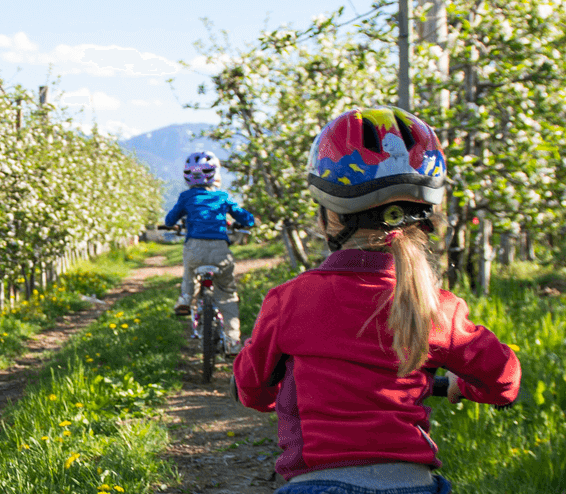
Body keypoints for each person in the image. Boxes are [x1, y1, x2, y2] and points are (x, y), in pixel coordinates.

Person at [232, 107, 521, 494]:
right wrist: (462, 385)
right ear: (422, 219)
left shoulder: (290, 301)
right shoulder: (437, 307)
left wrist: (273, 393)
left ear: (328, 218)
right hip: (415, 486)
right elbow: (504, 379)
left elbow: (252, 389)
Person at [163, 150, 256, 343]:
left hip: (195, 247)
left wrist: (175, 222)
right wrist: (247, 221)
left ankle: (187, 298)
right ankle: (232, 339)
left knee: (189, 271)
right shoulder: (222, 197)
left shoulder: (186, 197)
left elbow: (170, 219)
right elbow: (245, 217)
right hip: (220, 250)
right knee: (227, 293)